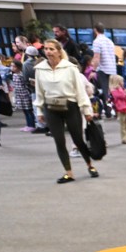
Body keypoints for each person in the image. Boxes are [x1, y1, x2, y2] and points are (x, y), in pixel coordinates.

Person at [33, 39, 97, 183]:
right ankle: (69, 172)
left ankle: (90, 165)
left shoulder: (70, 68)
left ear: (59, 51)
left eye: (51, 49)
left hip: (70, 106)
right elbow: (39, 91)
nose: (48, 52)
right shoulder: (40, 69)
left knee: (78, 139)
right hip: (51, 108)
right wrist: (39, 111)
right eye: (46, 49)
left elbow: (80, 90)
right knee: (59, 141)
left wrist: (87, 110)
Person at [90, 23, 117, 118]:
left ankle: (108, 111)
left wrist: (93, 70)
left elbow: (96, 57)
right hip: (112, 69)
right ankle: (117, 110)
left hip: (103, 69)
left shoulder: (97, 41)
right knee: (113, 91)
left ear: (95, 30)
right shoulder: (109, 41)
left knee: (105, 92)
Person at [108, 74, 126, 145]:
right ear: (118, 82)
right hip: (120, 109)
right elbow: (121, 96)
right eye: (122, 81)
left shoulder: (121, 89)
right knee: (122, 124)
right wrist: (123, 91)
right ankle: (124, 138)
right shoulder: (114, 90)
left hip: (125, 108)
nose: (123, 83)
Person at [11, 58, 36, 132]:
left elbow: (25, 84)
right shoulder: (14, 75)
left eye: (14, 66)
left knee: (28, 110)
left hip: (24, 94)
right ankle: (28, 125)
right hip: (19, 95)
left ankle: (31, 125)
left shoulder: (21, 75)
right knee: (25, 111)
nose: (12, 68)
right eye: (11, 66)